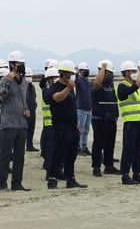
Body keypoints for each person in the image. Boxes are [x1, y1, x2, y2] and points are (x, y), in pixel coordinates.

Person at [46, 60, 87, 189]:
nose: (72, 75)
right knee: (58, 154)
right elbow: (57, 98)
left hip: (72, 126)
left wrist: (75, 124)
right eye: (70, 73)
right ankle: (52, 179)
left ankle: (70, 178)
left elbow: (72, 106)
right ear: (63, 74)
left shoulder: (71, 88)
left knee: (71, 154)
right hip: (60, 126)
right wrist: (68, 88)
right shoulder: (56, 86)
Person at [0, 51, 31, 191]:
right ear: (12, 65)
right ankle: (2, 184)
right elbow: (0, 98)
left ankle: (17, 183)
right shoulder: (4, 80)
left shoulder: (24, 82)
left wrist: (26, 109)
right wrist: (8, 82)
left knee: (19, 156)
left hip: (22, 124)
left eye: (23, 64)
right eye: (20, 64)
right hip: (8, 123)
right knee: (5, 154)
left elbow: (24, 99)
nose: (22, 66)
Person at [116, 60, 140, 185]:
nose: (135, 73)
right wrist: (139, 84)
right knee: (128, 149)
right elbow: (125, 94)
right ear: (126, 72)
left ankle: (137, 173)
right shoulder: (122, 85)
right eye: (133, 71)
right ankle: (125, 175)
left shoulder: (139, 89)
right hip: (130, 122)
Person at [91, 60, 121, 177]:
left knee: (110, 144)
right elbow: (97, 84)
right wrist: (103, 68)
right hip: (99, 118)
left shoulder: (110, 85)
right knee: (98, 144)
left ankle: (109, 166)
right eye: (109, 73)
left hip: (111, 119)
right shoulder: (96, 83)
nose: (112, 75)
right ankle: (96, 167)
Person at [40, 67, 63, 180]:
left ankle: (58, 170)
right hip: (50, 124)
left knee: (59, 149)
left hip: (58, 124)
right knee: (50, 149)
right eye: (54, 78)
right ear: (49, 79)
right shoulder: (47, 91)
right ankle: (49, 172)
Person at [76, 62, 92, 156]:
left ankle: (84, 146)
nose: (85, 72)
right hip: (80, 108)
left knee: (86, 129)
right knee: (79, 129)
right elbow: (74, 79)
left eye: (86, 70)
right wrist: (76, 71)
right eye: (83, 70)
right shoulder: (78, 81)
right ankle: (78, 146)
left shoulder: (88, 81)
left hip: (88, 109)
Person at [25, 67, 39, 152]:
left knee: (31, 128)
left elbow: (33, 97)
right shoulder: (22, 86)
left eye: (30, 76)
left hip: (32, 110)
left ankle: (30, 145)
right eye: (27, 76)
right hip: (25, 111)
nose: (29, 78)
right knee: (24, 130)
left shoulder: (32, 86)